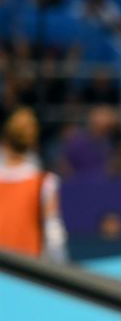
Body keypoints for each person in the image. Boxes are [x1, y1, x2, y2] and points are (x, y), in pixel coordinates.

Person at [0, 108, 67, 261]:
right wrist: (61, 267)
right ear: (34, 143)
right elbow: (54, 235)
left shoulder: (43, 183)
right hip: (26, 271)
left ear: (5, 142)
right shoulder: (44, 183)